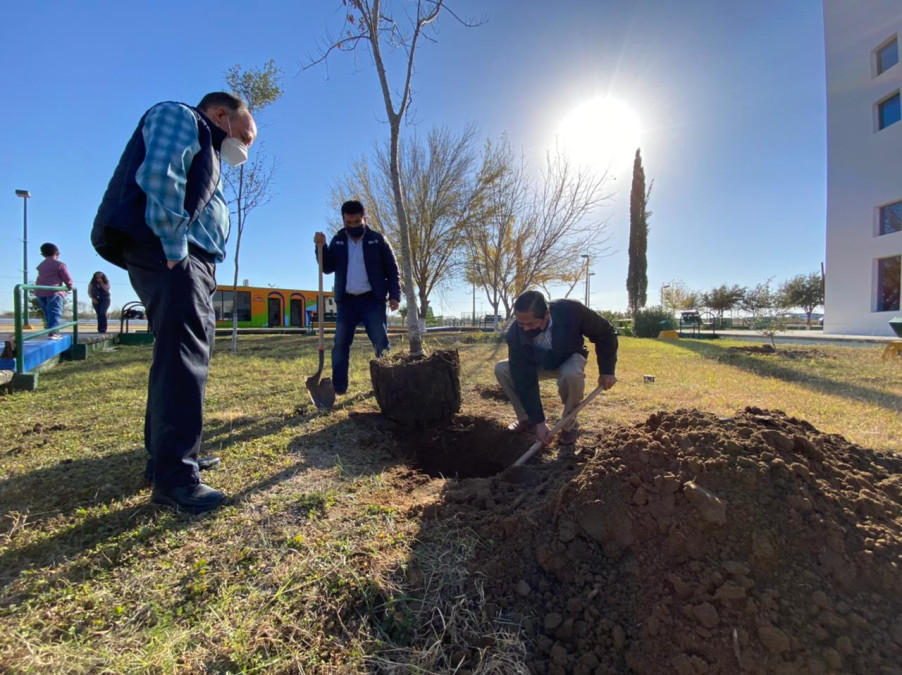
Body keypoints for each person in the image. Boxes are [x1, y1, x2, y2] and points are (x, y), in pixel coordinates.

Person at [92, 92, 257, 513]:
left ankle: (169, 458)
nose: (245, 147)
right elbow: (162, 176)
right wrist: (174, 245)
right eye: (245, 135)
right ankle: (176, 479)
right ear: (221, 115)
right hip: (172, 252)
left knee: (175, 356)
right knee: (185, 359)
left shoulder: (209, 147)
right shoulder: (180, 117)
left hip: (188, 257)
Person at [495, 290, 619, 446]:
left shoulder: (571, 310)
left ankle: (569, 425)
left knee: (571, 374)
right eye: (521, 324)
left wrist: (607, 370)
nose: (525, 329)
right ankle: (526, 419)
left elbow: (605, 332)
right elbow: (524, 379)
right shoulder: (515, 334)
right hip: (539, 363)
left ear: (546, 314)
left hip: (569, 356)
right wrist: (539, 422)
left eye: (531, 323)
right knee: (502, 369)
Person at [313, 200, 401, 395]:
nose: (353, 226)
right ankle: (338, 387)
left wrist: (395, 296)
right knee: (340, 345)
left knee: (381, 342)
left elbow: (392, 270)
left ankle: (387, 385)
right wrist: (321, 247)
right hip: (347, 303)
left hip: (372, 301)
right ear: (344, 221)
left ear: (364, 218)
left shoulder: (378, 240)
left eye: (357, 221)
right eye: (349, 222)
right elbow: (327, 267)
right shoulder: (338, 241)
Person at [34, 243, 74, 340]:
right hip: (54, 291)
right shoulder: (60, 264)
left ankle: (51, 331)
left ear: (42, 255)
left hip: (40, 291)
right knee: (55, 312)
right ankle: (54, 333)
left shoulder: (41, 265)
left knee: (48, 313)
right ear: (57, 253)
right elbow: (67, 278)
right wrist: (69, 286)